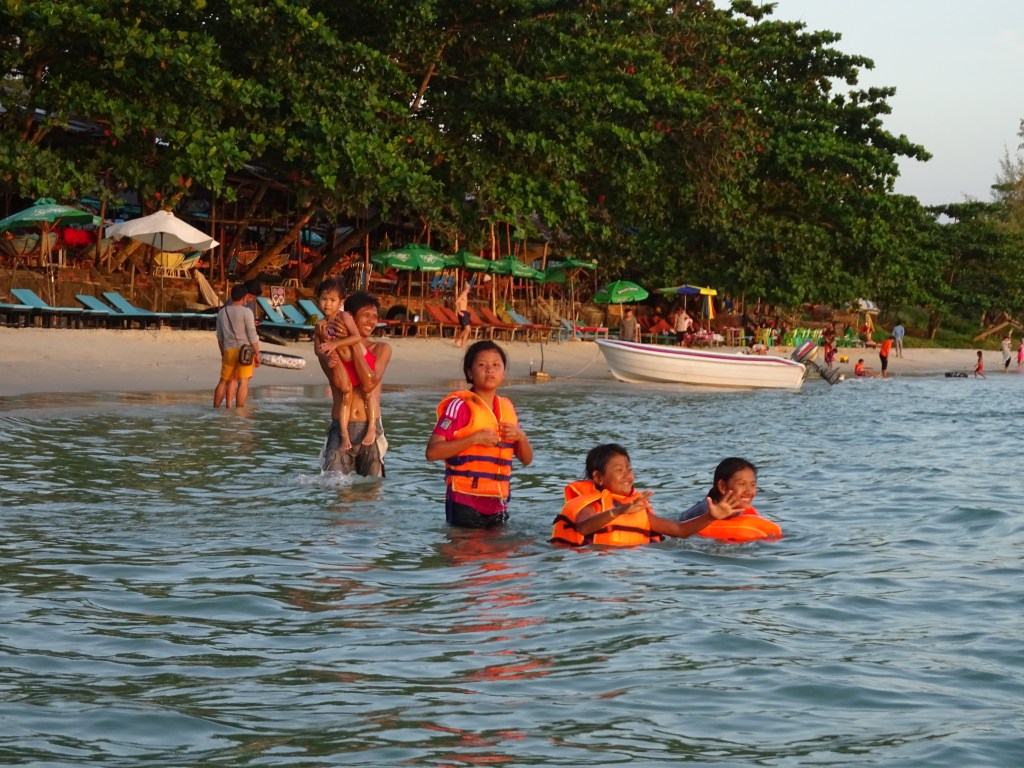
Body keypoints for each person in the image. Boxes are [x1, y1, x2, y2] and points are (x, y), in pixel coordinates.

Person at [426, 340, 533, 528]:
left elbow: (526, 460)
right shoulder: (459, 406)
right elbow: (432, 452)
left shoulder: (506, 407)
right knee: (468, 555)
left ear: (504, 371)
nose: (490, 370)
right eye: (482, 365)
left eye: (496, 365)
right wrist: (475, 438)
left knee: (497, 556)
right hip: (464, 501)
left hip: (498, 502)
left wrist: (521, 437)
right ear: (469, 372)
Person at [550, 444, 743, 547]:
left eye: (629, 469)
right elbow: (583, 527)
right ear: (598, 478)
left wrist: (711, 516)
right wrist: (618, 512)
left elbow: (679, 530)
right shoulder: (590, 504)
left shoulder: (637, 509)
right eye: (619, 470)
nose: (628, 476)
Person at [317, 290, 391, 476]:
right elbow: (341, 383)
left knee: (371, 495)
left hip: (370, 429)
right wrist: (339, 343)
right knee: (335, 492)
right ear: (349, 316)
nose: (372, 321)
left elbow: (368, 384)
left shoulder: (381, 349)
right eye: (366, 315)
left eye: (375, 317)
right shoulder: (331, 348)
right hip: (341, 428)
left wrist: (354, 342)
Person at [214, 283, 260, 407]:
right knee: (243, 382)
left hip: (228, 349)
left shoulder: (222, 312)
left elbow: (219, 336)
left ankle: (216, 409)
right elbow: (252, 335)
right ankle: (239, 411)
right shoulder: (247, 312)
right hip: (244, 352)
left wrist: (222, 352)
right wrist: (257, 353)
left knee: (223, 381)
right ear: (244, 297)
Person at [453, 282, 473, 349]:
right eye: (468, 288)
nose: (469, 289)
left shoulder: (465, 294)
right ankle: (458, 340)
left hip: (465, 312)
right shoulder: (463, 294)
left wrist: (466, 310)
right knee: (467, 329)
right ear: (466, 288)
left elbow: (463, 304)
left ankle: (463, 344)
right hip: (462, 313)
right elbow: (456, 302)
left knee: (468, 330)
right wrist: (459, 311)